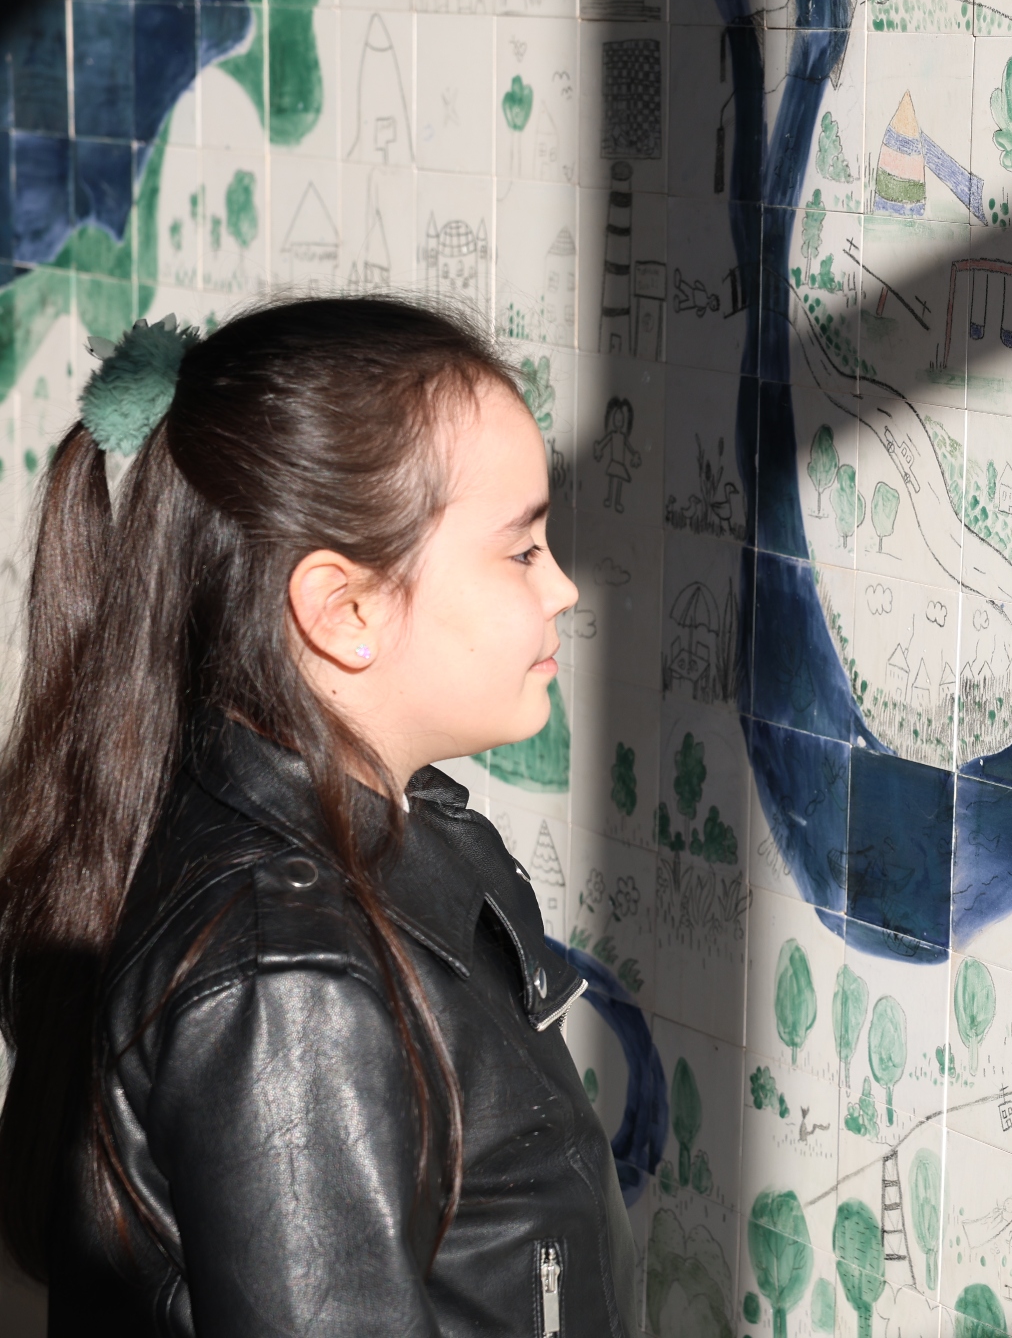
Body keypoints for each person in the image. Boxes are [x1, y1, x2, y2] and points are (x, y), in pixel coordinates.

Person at [0, 298, 636, 1334]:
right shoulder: (290, 982)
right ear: (345, 611)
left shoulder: (387, 836)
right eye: (522, 550)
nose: (561, 586)